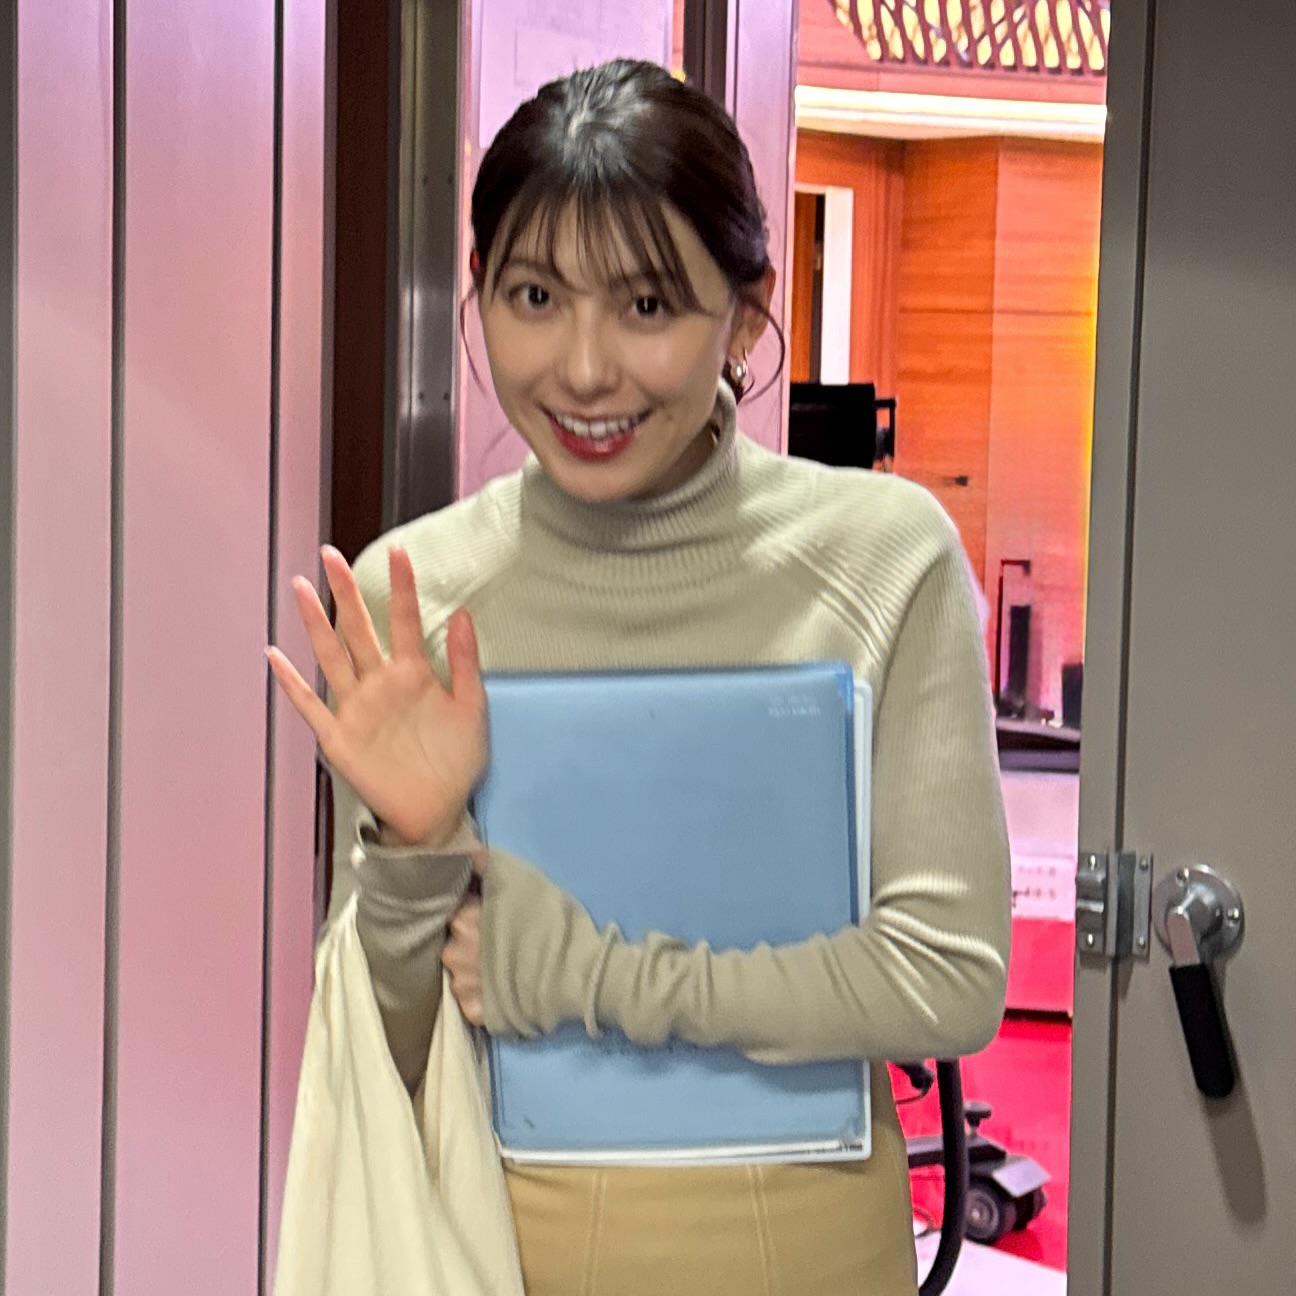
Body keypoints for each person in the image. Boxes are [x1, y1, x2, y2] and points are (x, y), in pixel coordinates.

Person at [267, 58, 1011, 1296]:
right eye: (534, 296)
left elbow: (947, 978)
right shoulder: (419, 594)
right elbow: (386, 1045)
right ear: (477, 290)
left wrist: (591, 975)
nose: (583, 369)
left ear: (747, 313)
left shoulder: (885, 560)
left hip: (810, 1250)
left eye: (648, 305)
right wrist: (409, 855)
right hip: (496, 1246)